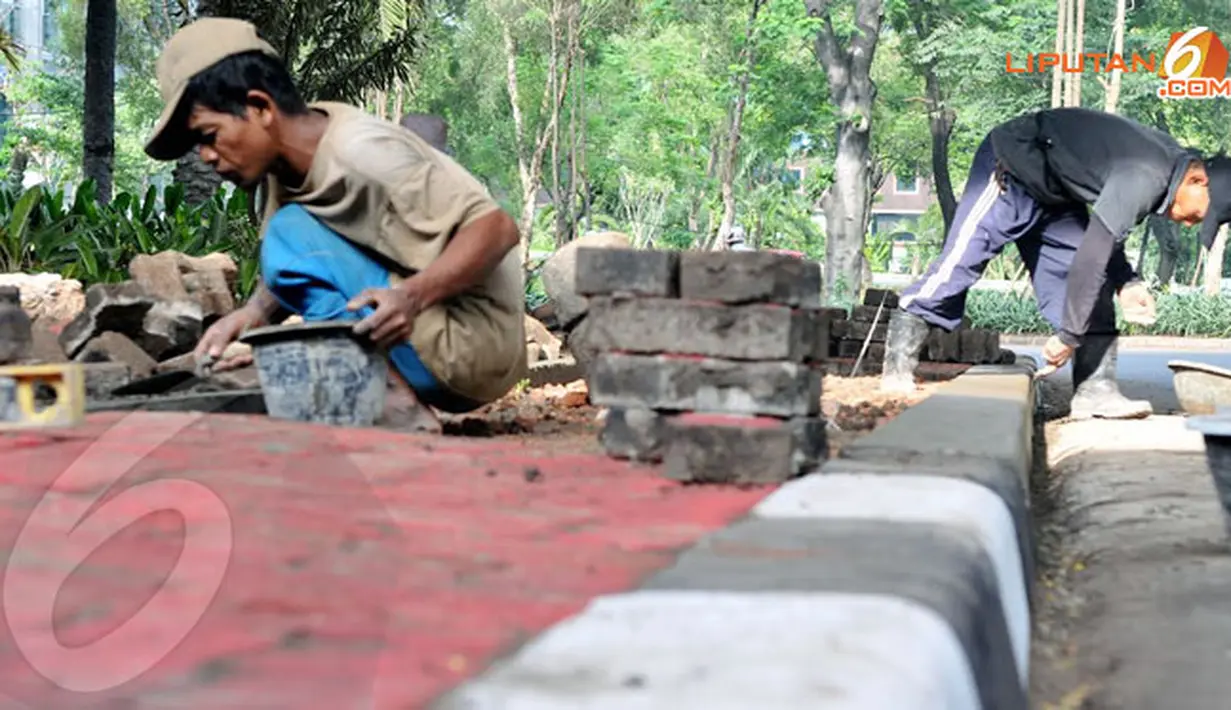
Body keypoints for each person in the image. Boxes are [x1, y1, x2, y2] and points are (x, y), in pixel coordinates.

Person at [144, 18, 527, 432]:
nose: (206, 157)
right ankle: (374, 385)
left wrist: (411, 298)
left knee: (288, 234)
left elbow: (498, 228)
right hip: (432, 342)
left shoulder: (362, 153)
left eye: (208, 135)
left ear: (260, 108)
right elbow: (308, 265)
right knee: (289, 236)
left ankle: (389, 399)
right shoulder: (289, 160)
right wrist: (253, 314)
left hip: (474, 348)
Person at [880, 107, 1221, 420]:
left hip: (1057, 194)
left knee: (1095, 283)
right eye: (1200, 216)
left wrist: (1126, 282)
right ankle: (896, 370)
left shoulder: (1172, 167)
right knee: (958, 266)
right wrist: (1068, 336)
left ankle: (1095, 390)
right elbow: (1095, 252)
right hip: (1011, 168)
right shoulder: (1146, 175)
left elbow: (1104, 235)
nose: (1191, 224)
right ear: (1198, 181)